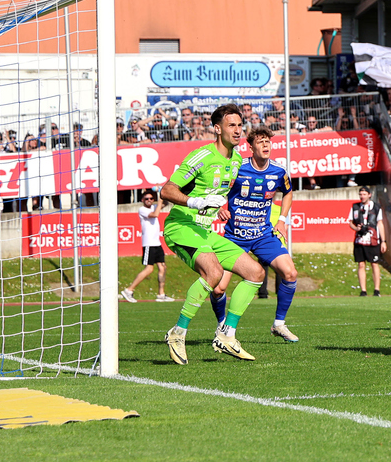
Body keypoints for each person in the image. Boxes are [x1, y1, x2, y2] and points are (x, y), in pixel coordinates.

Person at [161, 104, 266, 365]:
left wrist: (219, 209)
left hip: (205, 230)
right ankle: (178, 333)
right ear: (217, 129)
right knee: (215, 273)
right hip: (182, 226)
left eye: (240, 125)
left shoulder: (237, 160)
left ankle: (226, 335)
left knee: (256, 273)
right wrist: (194, 202)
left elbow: (219, 192)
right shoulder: (201, 156)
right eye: (232, 125)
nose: (238, 130)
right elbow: (167, 190)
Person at [210, 125, 299, 342]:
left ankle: (279, 324)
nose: (266, 144)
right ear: (250, 147)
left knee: (290, 273)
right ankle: (222, 325)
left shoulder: (279, 171)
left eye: (268, 141)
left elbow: (288, 193)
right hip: (235, 238)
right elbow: (218, 188)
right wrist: (221, 206)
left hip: (263, 236)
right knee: (219, 288)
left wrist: (282, 220)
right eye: (260, 141)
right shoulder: (237, 167)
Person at [120, 190, 175, 303]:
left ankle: (161, 294)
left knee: (162, 267)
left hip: (157, 243)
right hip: (149, 243)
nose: (149, 200)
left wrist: (163, 194)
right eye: (147, 199)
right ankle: (129, 290)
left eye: (151, 198)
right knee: (149, 269)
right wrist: (159, 202)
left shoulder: (154, 206)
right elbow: (155, 215)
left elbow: (167, 203)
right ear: (142, 200)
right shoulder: (143, 210)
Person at [349, 186, 387, 296]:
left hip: (373, 239)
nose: (362, 196)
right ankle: (363, 290)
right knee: (361, 264)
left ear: (369, 195)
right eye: (361, 194)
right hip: (360, 240)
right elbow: (350, 222)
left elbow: (380, 223)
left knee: (374, 264)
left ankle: (376, 290)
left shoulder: (376, 207)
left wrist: (383, 241)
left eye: (364, 194)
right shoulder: (355, 207)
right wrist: (356, 228)